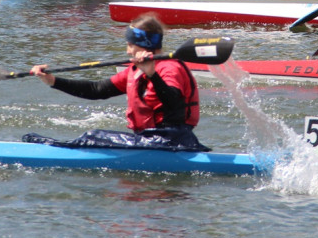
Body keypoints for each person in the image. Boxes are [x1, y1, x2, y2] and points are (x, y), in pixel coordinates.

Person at [30, 14, 205, 150]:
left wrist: (152, 74)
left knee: (92, 137)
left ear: (143, 44)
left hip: (172, 141)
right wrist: (53, 81)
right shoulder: (136, 70)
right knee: (92, 137)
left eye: (130, 45)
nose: (128, 51)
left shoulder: (169, 68)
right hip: (150, 140)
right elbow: (97, 89)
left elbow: (174, 101)